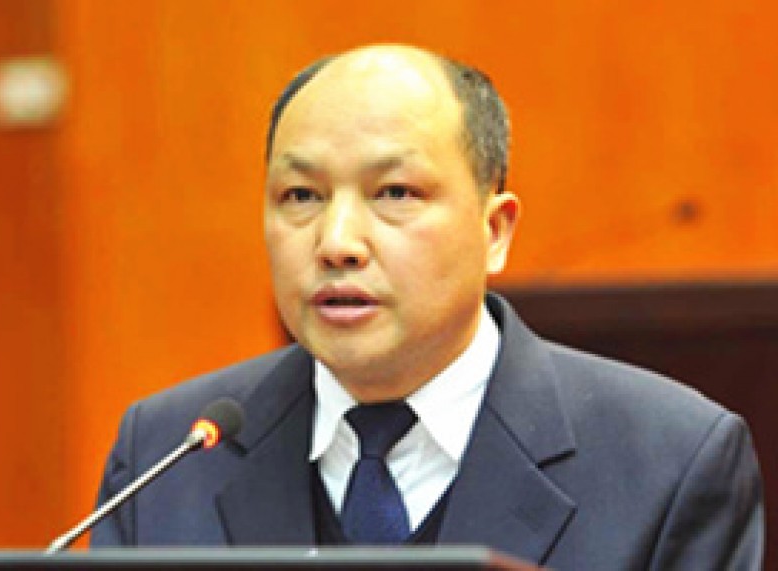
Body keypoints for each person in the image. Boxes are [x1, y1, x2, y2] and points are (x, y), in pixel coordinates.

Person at [90, 44, 763, 568]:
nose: (337, 242)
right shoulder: (166, 454)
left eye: (395, 193)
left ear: (494, 231)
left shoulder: (669, 462)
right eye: (301, 196)